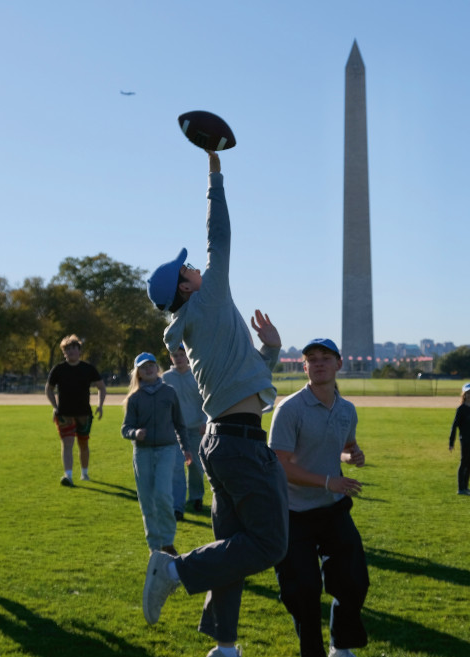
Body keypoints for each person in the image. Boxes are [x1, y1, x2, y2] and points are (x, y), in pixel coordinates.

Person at [142, 149, 287, 657]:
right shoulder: (208, 299)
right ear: (186, 285)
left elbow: (248, 379)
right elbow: (219, 236)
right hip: (239, 443)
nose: (197, 269)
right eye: (189, 270)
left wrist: (270, 347)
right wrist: (215, 175)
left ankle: (225, 647)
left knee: (232, 550)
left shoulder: (197, 325)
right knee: (270, 544)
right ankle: (175, 569)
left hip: (223, 439)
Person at [269, 338, 369, 657]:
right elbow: (281, 466)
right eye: (312, 359)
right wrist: (329, 482)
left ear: (339, 364)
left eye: (326, 357)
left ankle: (341, 646)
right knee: (303, 592)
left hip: (332, 510)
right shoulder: (290, 409)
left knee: (353, 581)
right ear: (305, 366)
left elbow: (344, 445)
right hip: (293, 512)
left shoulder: (347, 410)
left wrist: (352, 455)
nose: (319, 363)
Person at [122, 352, 193, 555]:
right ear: (139, 373)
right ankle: (154, 547)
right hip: (142, 453)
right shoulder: (134, 398)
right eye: (144, 367)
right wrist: (135, 433)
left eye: (152, 365)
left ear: (157, 368)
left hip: (167, 450)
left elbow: (180, 423)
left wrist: (186, 448)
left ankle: (168, 542)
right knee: (147, 500)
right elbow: (125, 428)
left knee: (163, 495)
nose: (149, 369)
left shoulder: (169, 392)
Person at [45, 334, 106, 487]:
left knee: (83, 444)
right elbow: (49, 389)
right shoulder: (58, 369)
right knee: (67, 444)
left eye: (73, 349)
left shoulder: (88, 369)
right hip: (64, 413)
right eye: (67, 350)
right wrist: (55, 406)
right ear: (64, 352)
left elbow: (101, 387)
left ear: (79, 351)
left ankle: (84, 473)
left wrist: (100, 405)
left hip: (84, 413)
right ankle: (68, 475)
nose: (70, 352)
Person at [163, 346, 209, 516]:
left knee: (196, 466)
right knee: (177, 468)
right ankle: (177, 505)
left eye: (182, 355)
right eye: (176, 355)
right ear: (171, 358)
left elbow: (206, 400)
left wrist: (205, 421)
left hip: (196, 429)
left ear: (188, 356)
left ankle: (196, 498)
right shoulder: (166, 378)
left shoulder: (197, 375)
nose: (179, 358)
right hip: (175, 430)